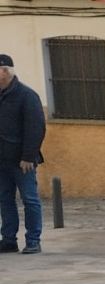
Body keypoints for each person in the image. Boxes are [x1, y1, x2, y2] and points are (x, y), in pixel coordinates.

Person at [0, 54, 46, 254]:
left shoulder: (27, 95)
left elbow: (36, 128)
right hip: (1, 159)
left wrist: (28, 156)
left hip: (22, 161)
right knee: (5, 199)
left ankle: (33, 240)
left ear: (5, 71)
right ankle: (9, 239)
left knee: (29, 199)